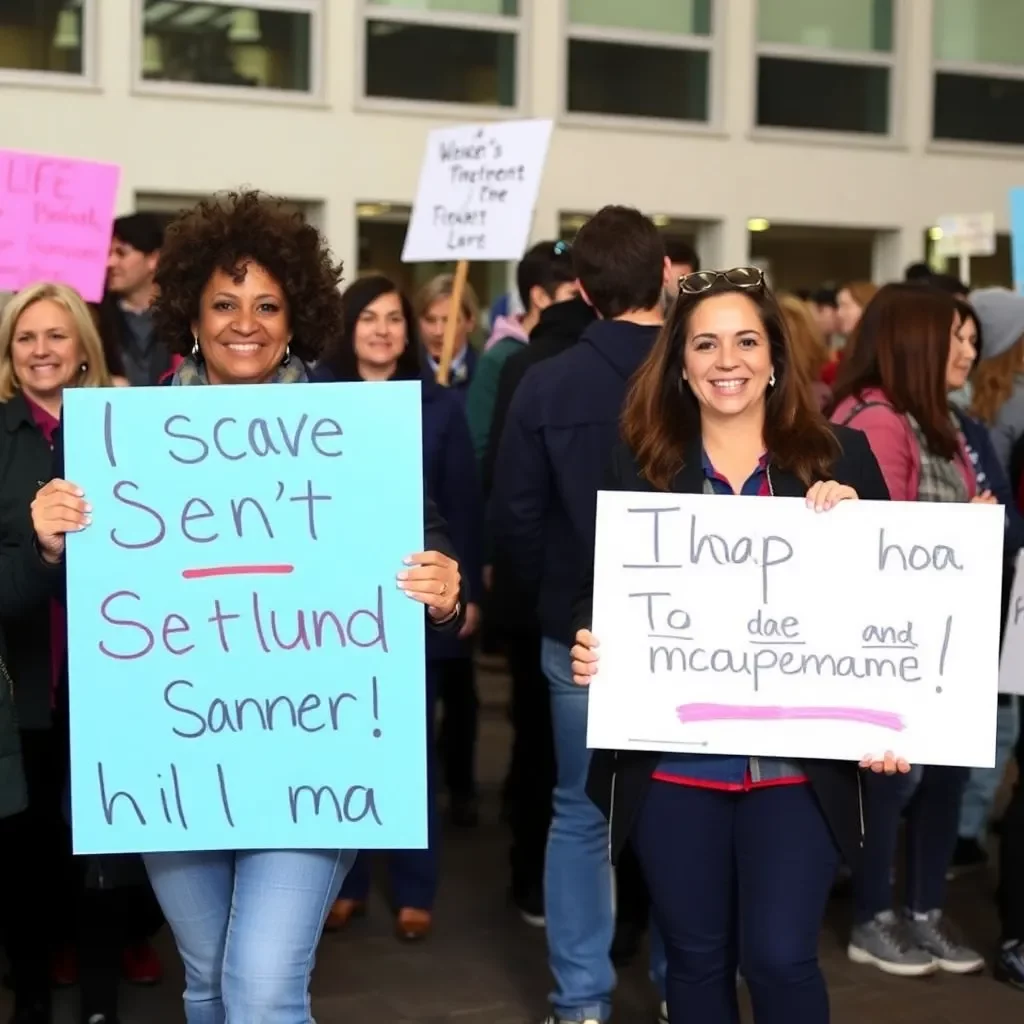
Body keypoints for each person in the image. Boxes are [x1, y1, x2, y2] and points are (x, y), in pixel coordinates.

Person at [26, 190, 466, 1024]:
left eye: (267, 304)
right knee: (208, 983)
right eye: (224, 303)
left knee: (263, 987)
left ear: (296, 314)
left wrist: (446, 592)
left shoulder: (352, 432)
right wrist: (55, 542)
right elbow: (91, 601)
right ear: (191, 311)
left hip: (312, 760)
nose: (245, 322)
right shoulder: (129, 437)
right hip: (173, 757)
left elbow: (425, 548)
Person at [570, 266, 907, 1024]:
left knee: (782, 957)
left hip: (798, 771)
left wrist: (858, 530)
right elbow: (600, 591)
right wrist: (594, 641)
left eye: (747, 341)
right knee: (693, 961)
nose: (729, 361)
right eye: (707, 345)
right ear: (681, 364)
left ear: (777, 357)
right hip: (674, 768)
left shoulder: (840, 457)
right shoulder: (640, 460)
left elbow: (892, 622)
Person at [490, 205, 672, 1024]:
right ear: (664, 273)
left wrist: (551, 605)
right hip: (689, 632)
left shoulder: (544, 379)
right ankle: (682, 983)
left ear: (584, 291)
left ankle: (582, 1001)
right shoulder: (699, 374)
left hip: (579, 632)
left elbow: (515, 521)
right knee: (683, 806)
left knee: (579, 812)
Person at [830, 283, 995, 977]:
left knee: (941, 777)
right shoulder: (875, 419)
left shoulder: (941, 421)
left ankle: (920, 910)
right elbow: (880, 534)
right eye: (954, 336)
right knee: (892, 786)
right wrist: (969, 524)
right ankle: (875, 916)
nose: (968, 349)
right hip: (898, 640)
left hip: (946, 635)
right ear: (916, 342)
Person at [313, 274, 483, 937]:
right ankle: (344, 879)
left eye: (394, 319)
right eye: (369, 318)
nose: (384, 330)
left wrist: (466, 594)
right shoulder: (314, 399)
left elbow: (461, 505)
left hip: (414, 603)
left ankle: (416, 886)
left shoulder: (438, 405)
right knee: (342, 746)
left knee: (411, 751)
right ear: (347, 326)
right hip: (330, 613)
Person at [465, 240, 578, 464]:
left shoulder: (578, 350)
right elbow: (480, 444)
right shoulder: (498, 358)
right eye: (573, 295)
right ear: (540, 297)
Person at [97, 213, 173, 386]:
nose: (110, 262)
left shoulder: (182, 316)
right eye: (108, 253)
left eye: (121, 253)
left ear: (153, 259)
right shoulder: (95, 318)